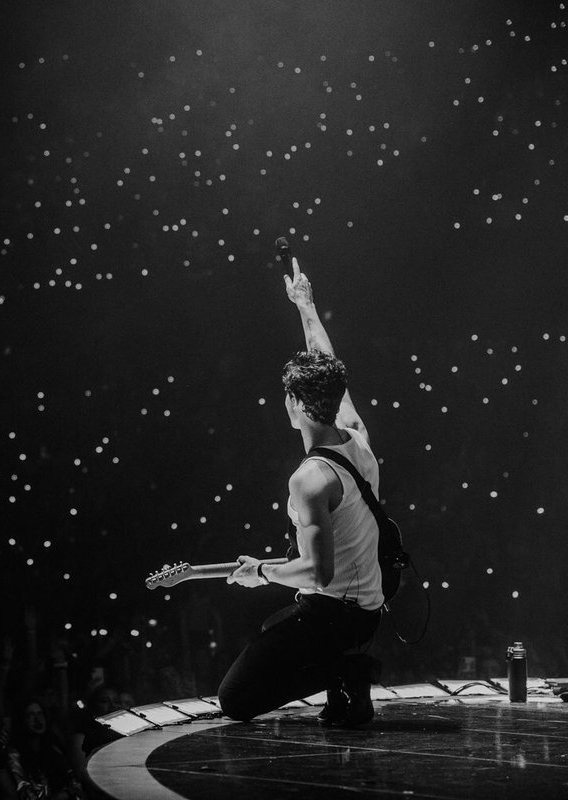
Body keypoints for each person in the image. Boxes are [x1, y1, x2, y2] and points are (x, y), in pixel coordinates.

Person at [216, 256, 383, 727]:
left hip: (338, 616)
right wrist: (305, 307)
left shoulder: (310, 478)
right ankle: (340, 670)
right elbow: (327, 364)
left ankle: (348, 670)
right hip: (368, 610)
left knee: (236, 700)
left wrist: (262, 572)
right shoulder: (355, 432)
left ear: (293, 404)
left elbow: (318, 572)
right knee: (273, 631)